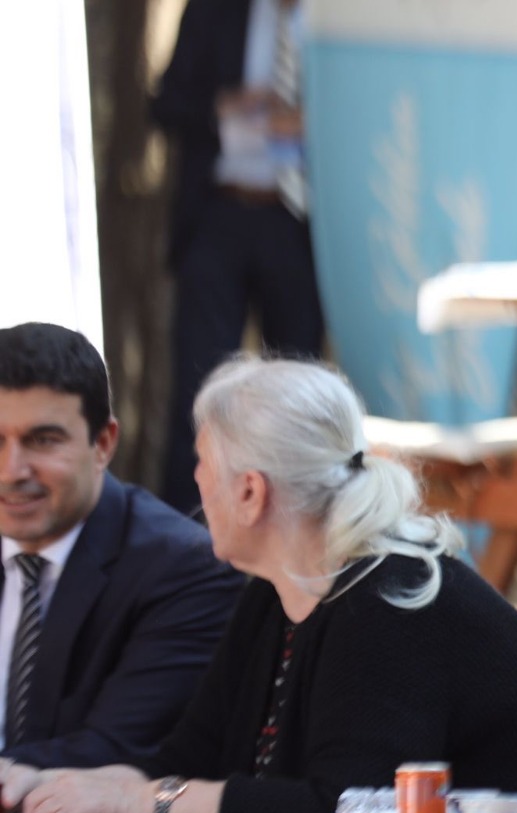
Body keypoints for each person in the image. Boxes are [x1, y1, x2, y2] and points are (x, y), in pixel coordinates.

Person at [1, 356, 517, 813]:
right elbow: (188, 757)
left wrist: (138, 805)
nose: (196, 482)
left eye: (203, 462)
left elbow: (344, 812)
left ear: (250, 492)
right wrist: (44, 781)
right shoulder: (274, 591)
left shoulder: (390, 602)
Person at [0, 322, 241, 771]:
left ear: (103, 444)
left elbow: (113, 750)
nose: (12, 470)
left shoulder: (185, 567)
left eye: (42, 440)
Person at [152, 0, 324, 517]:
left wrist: (312, 121)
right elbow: (165, 102)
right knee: (200, 383)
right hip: (218, 212)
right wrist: (225, 106)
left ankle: (293, 523)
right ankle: (185, 529)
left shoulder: (338, 21)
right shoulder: (215, 9)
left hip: (302, 224)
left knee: (297, 387)